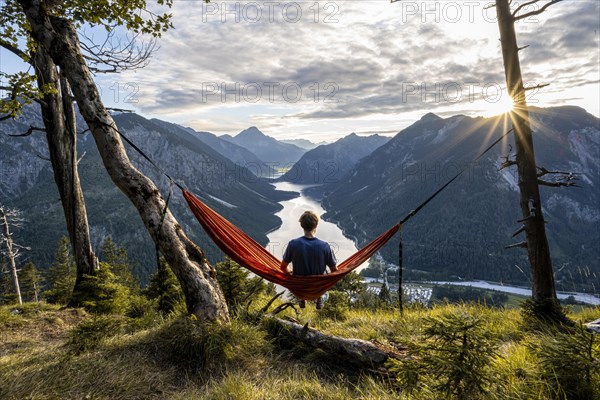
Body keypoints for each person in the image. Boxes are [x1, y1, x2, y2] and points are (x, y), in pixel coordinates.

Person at [280, 210, 337, 309]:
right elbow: (335, 271)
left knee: (295, 272)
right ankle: (320, 297)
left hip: (300, 288)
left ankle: (301, 298)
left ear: (302, 225)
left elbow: (283, 267)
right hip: (317, 287)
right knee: (326, 273)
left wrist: (290, 271)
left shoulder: (293, 244)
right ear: (316, 225)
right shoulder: (325, 246)